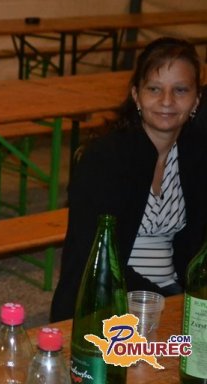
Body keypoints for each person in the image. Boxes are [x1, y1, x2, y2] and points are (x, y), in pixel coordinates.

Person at [51, 37, 207, 322]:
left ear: (196, 99)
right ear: (136, 95)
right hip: (109, 300)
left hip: (172, 293)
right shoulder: (105, 159)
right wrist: (164, 301)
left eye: (181, 90)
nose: (167, 101)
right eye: (154, 89)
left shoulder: (194, 155)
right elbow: (95, 259)